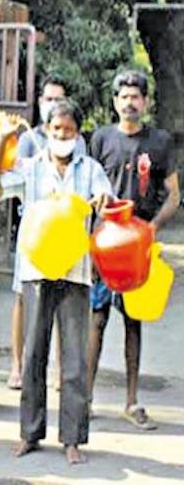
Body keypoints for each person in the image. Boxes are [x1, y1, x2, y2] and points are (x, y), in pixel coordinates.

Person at [0, 99, 113, 465]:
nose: (62, 136)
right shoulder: (30, 167)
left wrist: (102, 204)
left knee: (73, 360)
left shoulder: (91, 170)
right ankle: (30, 432)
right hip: (36, 271)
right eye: (56, 130)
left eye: (69, 131)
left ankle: (72, 438)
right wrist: (0, 142)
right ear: (46, 130)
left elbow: (107, 207)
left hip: (76, 272)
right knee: (33, 355)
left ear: (78, 134)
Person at [86, 70, 180, 430]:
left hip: (138, 244)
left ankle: (131, 401)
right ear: (114, 102)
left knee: (133, 321)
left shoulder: (159, 142)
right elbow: (86, 188)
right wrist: (90, 238)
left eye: (136, 96)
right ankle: (87, 400)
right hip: (105, 241)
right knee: (96, 319)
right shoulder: (100, 138)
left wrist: (153, 228)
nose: (129, 102)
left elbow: (174, 193)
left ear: (146, 101)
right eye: (123, 96)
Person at [7, 75, 86, 390]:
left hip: (63, 237)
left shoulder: (76, 143)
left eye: (58, 99)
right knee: (23, 300)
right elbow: (13, 176)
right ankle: (17, 364)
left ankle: (56, 370)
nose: (51, 104)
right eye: (47, 99)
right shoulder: (30, 138)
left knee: (57, 303)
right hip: (33, 234)